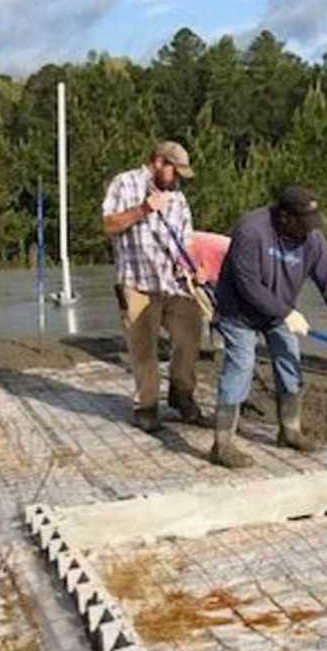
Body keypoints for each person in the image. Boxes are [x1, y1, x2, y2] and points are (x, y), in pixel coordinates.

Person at [209, 186, 327, 469]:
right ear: (284, 217)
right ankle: (222, 445)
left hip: (277, 312)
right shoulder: (251, 231)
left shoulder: (313, 240)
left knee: (289, 361)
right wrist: (287, 312)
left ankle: (290, 430)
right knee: (241, 366)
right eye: (303, 224)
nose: (309, 231)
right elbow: (248, 285)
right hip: (238, 312)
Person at [102, 141, 205, 433]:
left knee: (190, 339)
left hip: (174, 284)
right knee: (143, 349)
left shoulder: (178, 197)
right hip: (137, 283)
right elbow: (109, 224)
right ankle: (146, 406)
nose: (179, 180)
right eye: (176, 171)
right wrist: (144, 209)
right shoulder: (125, 183)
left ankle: (181, 394)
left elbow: (185, 239)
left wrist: (193, 266)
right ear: (159, 162)